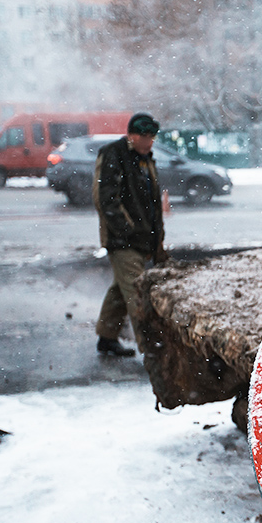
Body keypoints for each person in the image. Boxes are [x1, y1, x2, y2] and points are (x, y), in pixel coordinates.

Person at [93, 112, 168, 357]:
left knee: (120, 289)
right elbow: (106, 200)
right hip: (123, 241)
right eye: (145, 137)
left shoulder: (146, 159)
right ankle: (151, 348)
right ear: (132, 135)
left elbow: (152, 203)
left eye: (152, 138)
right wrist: (127, 231)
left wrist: (157, 237)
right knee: (137, 292)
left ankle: (106, 338)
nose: (150, 142)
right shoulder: (114, 154)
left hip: (141, 238)